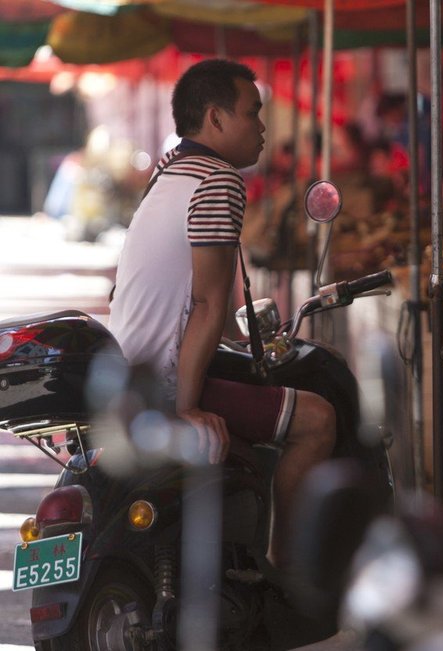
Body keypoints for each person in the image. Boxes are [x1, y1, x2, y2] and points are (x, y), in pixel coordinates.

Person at [108, 59, 335, 568]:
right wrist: (185, 409)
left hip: (130, 373)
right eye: (252, 113)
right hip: (163, 385)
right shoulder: (217, 180)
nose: (261, 128)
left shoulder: (170, 172)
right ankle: (288, 577)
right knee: (318, 421)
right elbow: (210, 303)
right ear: (215, 118)